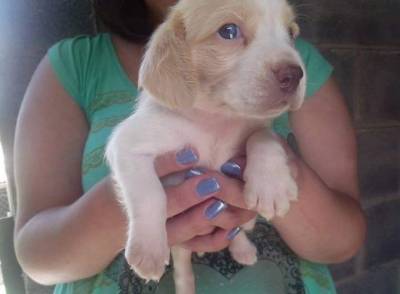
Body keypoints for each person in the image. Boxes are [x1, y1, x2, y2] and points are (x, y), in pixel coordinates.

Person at [13, 0, 367, 293]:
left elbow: (345, 240)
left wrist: (276, 165)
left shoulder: (302, 69)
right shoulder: (76, 67)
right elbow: (36, 259)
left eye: (289, 33)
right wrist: (140, 208)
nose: (288, 62)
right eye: (230, 31)